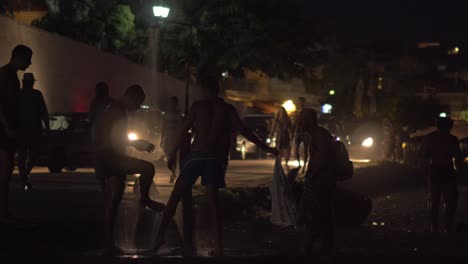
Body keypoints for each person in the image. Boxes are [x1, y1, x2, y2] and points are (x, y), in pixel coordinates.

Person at [154, 75, 278, 256]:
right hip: (214, 158)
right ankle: (218, 247)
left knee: (176, 195)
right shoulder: (226, 109)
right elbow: (245, 131)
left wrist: (173, 153)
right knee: (213, 202)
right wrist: (266, 147)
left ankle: (159, 238)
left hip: (197, 156)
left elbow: (183, 130)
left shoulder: (198, 107)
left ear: (206, 90)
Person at [93, 84, 165, 255]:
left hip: (107, 157)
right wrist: (136, 143)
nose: (138, 108)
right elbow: (111, 137)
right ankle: (145, 199)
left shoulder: (112, 108)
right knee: (148, 168)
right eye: (138, 104)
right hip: (111, 158)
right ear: (130, 97)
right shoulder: (117, 110)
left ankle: (108, 244)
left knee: (114, 200)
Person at [297, 110, 337, 257]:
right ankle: (324, 246)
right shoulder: (317, 135)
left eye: (301, 119)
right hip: (321, 180)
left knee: (318, 214)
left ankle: (314, 246)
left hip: (322, 181)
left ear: (309, 120)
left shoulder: (319, 135)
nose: (298, 123)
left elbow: (323, 159)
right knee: (322, 214)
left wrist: (311, 176)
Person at [0, 45, 32, 223]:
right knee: (5, 171)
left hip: (8, 128)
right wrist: (6, 126)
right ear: (18, 57)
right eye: (28, 58)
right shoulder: (5, 75)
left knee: (7, 170)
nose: (30, 63)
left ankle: (4, 209)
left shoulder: (10, 75)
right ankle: (3, 211)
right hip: (5, 129)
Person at [421, 117, 463, 233]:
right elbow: (458, 158)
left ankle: (434, 227)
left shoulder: (430, 138)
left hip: (435, 171)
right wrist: (460, 171)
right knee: (449, 200)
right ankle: (448, 226)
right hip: (448, 171)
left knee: (434, 200)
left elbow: (424, 157)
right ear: (450, 127)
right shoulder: (452, 139)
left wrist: (425, 172)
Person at [17, 73, 50, 190]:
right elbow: (44, 112)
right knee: (33, 155)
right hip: (34, 130)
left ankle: (24, 176)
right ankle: (25, 175)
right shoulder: (36, 95)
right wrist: (48, 127)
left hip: (21, 130)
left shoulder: (18, 94)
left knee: (23, 155)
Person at [89, 82, 112, 190]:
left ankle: (103, 181)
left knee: (100, 158)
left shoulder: (95, 102)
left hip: (99, 134)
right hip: (107, 135)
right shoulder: (110, 102)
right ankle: (106, 180)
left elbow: (91, 118)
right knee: (107, 157)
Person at [160, 96, 183, 183]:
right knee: (167, 153)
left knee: (174, 154)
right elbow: (163, 126)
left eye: (173, 103)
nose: (171, 104)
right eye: (170, 103)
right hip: (168, 136)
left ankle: (173, 172)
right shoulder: (166, 114)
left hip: (175, 136)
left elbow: (181, 126)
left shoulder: (178, 114)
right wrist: (162, 139)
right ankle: (172, 171)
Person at [292, 97, 317, 173]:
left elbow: (311, 122)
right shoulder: (296, 112)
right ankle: (299, 165)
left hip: (305, 132)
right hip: (298, 132)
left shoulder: (307, 112)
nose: (300, 103)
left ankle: (304, 166)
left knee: (306, 150)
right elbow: (294, 123)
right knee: (296, 150)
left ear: (303, 102)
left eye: (301, 102)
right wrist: (292, 132)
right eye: (299, 102)